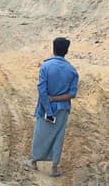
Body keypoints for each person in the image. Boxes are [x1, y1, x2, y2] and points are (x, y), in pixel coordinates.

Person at [25, 37, 78, 177]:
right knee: (58, 137)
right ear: (66, 51)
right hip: (62, 109)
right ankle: (54, 168)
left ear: (53, 49)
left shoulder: (46, 66)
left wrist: (48, 109)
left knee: (40, 134)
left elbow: (42, 91)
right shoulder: (72, 70)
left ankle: (34, 162)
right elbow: (72, 94)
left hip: (45, 107)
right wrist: (56, 99)